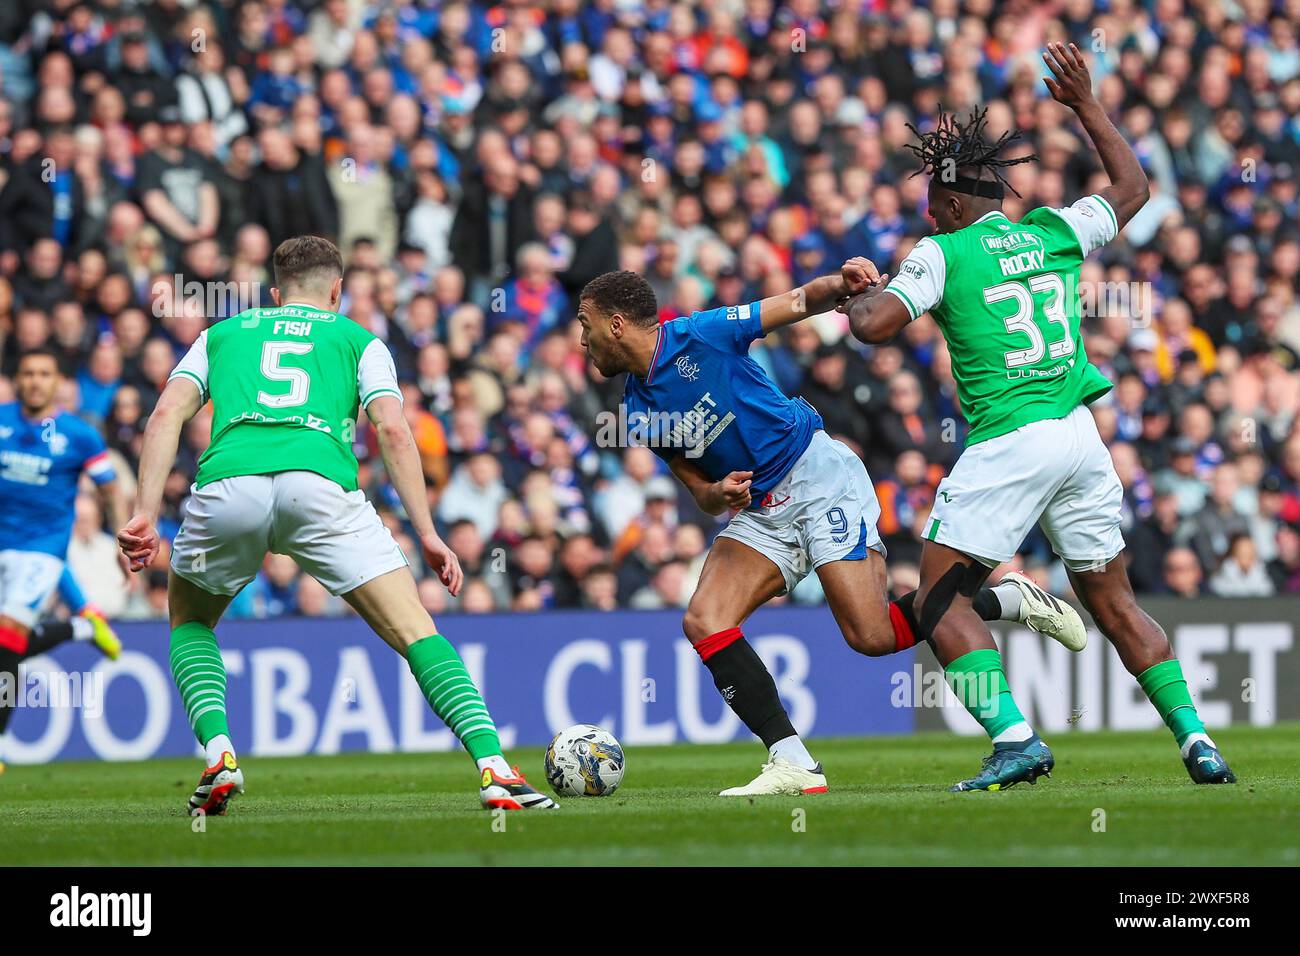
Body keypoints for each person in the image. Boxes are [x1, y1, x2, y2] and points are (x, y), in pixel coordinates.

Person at [841, 43, 1235, 790]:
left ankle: (1015, 738)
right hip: (1082, 441)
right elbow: (1133, 187)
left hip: (1011, 441)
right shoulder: (1054, 230)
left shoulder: (943, 251)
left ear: (953, 206)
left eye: (933, 206)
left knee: (934, 600)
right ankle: (1198, 743)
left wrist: (858, 291)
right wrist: (1086, 103)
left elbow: (874, 326)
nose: (931, 215)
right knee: (1115, 604)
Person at [577, 266, 1084, 796]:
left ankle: (1004, 601)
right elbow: (696, 488)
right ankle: (792, 760)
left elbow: (796, 302)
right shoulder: (637, 408)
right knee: (704, 620)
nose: (582, 340)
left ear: (616, 325)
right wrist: (714, 494)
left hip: (815, 476)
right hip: (760, 511)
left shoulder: (699, 334)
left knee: (873, 636)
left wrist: (842, 284)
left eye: (585, 325)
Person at [116, 236, 556, 814]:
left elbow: (167, 412)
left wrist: (146, 512)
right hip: (320, 486)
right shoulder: (360, 341)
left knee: (190, 622)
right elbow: (394, 431)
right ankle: (494, 768)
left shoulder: (221, 335)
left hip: (229, 485)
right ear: (337, 291)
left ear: (275, 294)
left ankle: (220, 750)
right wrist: (426, 531)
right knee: (416, 631)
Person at [0, 347, 123, 773]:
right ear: (18, 379)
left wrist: (125, 537)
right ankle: (80, 626)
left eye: (44, 373)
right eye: (28, 372)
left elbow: (109, 488)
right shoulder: (2, 421)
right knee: (7, 645)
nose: (35, 381)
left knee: (7, 637)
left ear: (57, 383)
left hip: (42, 553)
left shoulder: (80, 435)